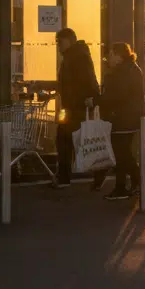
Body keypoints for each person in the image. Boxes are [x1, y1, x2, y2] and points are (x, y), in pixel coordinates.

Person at [96, 43, 145, 200]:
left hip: (123, 117)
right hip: (129, 116)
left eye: (110, 55)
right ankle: (135, 182)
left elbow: (117, 95)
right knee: (124, 152)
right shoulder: (131, 68)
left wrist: (98, 100)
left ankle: (124, 186)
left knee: (121, 153)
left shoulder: (123, 72)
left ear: (119, 56)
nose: (108, 58)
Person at [55, 27, 99, 188]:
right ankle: (65, 176)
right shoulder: (72, 56)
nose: (58, 45)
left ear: (69, 41)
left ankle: (65, 177)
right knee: (73, 140)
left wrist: (91, 99)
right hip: (73, 106)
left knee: (66, 140)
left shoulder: (77, 57)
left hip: (76, 106)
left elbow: (87, 80)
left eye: (60, 42)